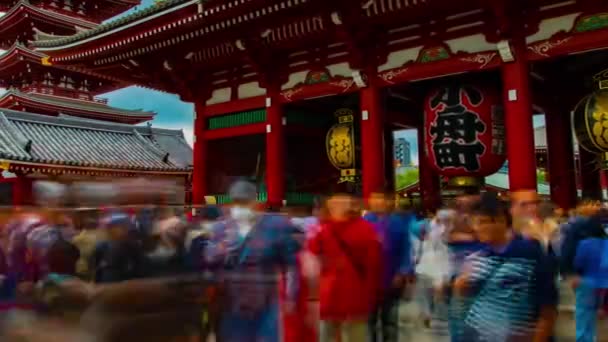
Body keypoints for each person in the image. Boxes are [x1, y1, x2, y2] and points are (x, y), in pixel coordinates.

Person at [454, 191, 558, 342]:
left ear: (500, 220)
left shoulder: (529, 253)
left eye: (482, 222)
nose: (476, 228)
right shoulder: (479, 256)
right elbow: (470, 302)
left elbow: (547, 310)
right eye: (475, 223)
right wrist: (461, 286)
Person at [204, 180, 300, 342]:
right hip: (231, 304)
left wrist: (291, 296)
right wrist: (223, 247)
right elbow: (209, 259)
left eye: (245, 202)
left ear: (256, 203)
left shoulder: (275, 225)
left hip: (265, 303)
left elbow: (291, 265)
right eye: (236, 202)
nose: (240, 208)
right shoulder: (221, 228)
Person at [308, 193, 382, 342]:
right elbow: (373, 264)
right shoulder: (366, 229)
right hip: (356, 293)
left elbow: (311, 258)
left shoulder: (322, 229)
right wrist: (373, 292)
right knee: (354, 335)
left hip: (329, 293)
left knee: (328, 334)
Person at [364, 192, 414, 342]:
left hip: (392, 277)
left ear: (389, 202)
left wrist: (403, 271)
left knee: (390, 320)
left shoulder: (398, 222)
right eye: (375, 199)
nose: (378, 202)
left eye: (381, 199)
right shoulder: (363, 221)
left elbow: (406, 248)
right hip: (369, 280)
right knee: (369, 321)